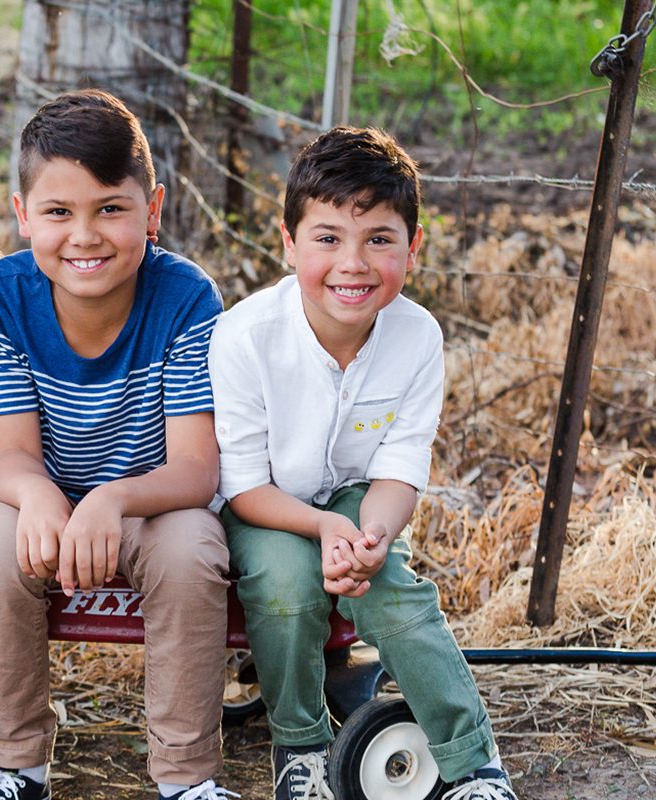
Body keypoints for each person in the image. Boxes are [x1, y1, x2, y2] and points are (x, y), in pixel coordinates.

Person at [209, 126, 516, 800]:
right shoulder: (245, 337)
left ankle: (474, 764)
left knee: (397, 594)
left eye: (379, 238)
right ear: (288, 243)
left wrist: (371, 536)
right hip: (265, 504)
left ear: (413, 246)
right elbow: (242, 485)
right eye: (327, 238)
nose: (353, 263)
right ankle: (301, 745)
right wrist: (319, 532)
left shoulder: (416, 336)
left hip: (355, 495)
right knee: (287, 591)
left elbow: (400, 465)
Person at [0, 89, 235, 800]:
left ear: (154, 208)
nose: (85, 235)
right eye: (58, 212)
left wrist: (110, 499)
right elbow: (12, 456)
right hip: (43, 500)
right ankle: (14, 765)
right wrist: (42, 495)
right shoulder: (2, 298)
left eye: (111, 208)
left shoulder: (185, 300)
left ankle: (185, 776)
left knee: (192, 550)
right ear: (23, 217)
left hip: (151, 503)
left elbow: (196, 471)